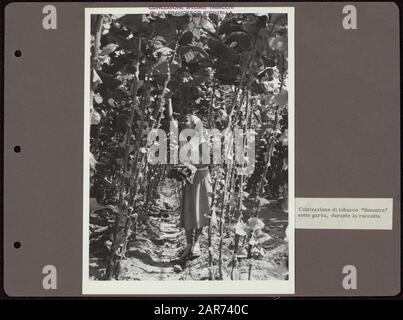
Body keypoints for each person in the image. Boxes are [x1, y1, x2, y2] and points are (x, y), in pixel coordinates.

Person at [178, 114, 212, 259]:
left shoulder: (201, 140)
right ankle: (188, 244)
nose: (183, 122)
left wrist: (190, 165)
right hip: (190, 178)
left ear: (193, 125)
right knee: (189, 210)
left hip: (201, 178)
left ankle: (196, 244)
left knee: (200, 211)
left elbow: (206, 161)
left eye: (186, 120)